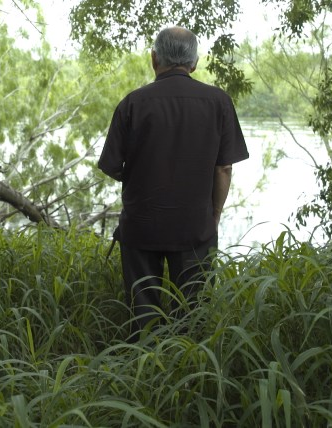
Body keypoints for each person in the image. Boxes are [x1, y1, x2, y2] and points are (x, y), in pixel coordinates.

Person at [98, 26, 249, 340]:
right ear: (194, 63)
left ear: (154, 59)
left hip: (141, 225)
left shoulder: (132, 104)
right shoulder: (218, 102)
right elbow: (224, 169)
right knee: (194, 317)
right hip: (195, 226)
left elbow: (112, 166)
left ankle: (143, 376)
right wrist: (215, 215)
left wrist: (142, 177)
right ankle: (189, 376)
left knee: (144, 318)